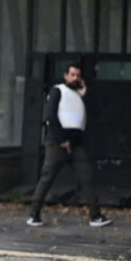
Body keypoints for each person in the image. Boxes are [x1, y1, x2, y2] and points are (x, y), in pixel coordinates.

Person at [27, 62, 112, 228]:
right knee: (47, 177)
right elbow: (50, 115)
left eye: (78, 76)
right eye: (72, 75)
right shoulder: (58, 90)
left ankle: (95, 215)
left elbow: (95, 114)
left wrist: (85, 95)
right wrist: (61, 139)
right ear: (65, 75)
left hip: (76, 144)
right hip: (57, 143)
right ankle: (34, 214)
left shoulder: (81, 94)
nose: (75, 78)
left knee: (87, 176)